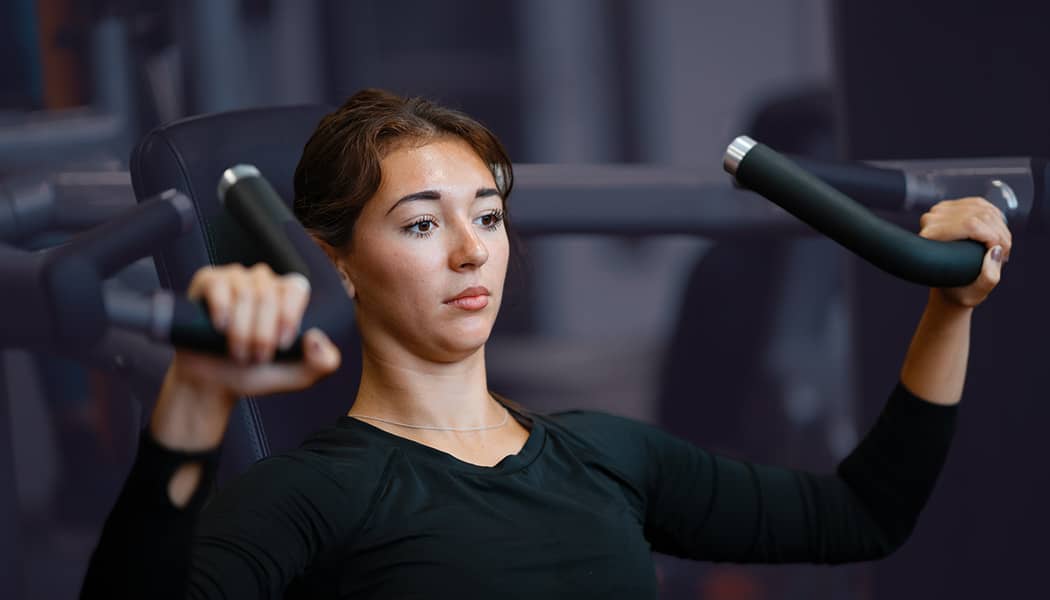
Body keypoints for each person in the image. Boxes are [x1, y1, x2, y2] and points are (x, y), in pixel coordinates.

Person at [81, 89, 1011, 599]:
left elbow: (863, 515)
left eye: (488, 214)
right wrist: (195, 398)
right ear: (341, 265)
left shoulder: (604, 453)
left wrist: (949, 307)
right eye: (418, 225)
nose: (469, 247)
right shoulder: (312, 492)